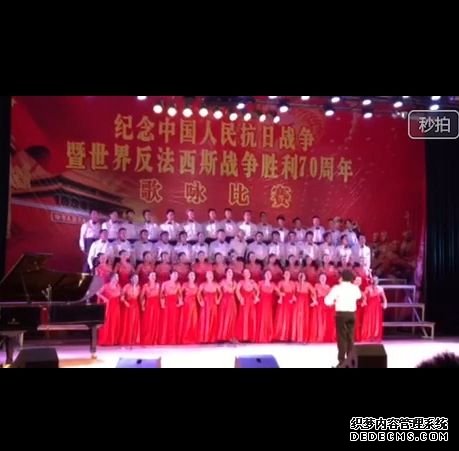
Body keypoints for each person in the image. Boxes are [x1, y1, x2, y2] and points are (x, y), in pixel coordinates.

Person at [324, 270, 363, 368]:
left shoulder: (337, 288)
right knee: (350, 337)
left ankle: (342, 361)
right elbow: (359, 296)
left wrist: (334, 302)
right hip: (351, 314)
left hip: (341, 315)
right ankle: (351, 361)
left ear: (342, 277)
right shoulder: (355, 288)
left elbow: (327, 301)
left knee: (342, 338)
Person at [97, 273, 121, 346]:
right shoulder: (106, 286)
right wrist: (104, 298)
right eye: (115, 277)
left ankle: (113, 340)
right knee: (107, 322)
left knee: (114, 322)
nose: (117, 278)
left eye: (117, 277)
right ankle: (105, 340)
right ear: (111, 278)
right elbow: (97, 293)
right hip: (108, 306)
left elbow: (120, 294)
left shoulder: (118, 286)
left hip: (116, 306)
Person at [361, 277, 388, 342]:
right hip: (370, 306)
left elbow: (384, 298)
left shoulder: (380, 288)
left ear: (378, 281)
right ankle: (369, 335)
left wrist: (385, 303)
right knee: (369, 319)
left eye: (376, 280)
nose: (374, 281)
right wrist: (364, 300)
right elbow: (363, 295)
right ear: (371, 281)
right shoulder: (368, 288)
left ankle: (376, 335)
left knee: (376, 320)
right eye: (373, 280)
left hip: (377, 306)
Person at [235, 269, 259, 342]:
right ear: (243, 274)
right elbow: (237, 291)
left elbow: (258, 290)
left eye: (248, 272)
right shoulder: (241, 282)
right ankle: (243, 337)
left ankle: (251, 337)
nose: (247, 274)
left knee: (252, 318)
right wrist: (240, 298)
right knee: (244, 318)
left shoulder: (253, 282)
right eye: (245, 272)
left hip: (251, 302)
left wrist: (256, 297)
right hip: (244, 302)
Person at [197, 270, 221, 344]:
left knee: (213, 319)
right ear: (206, 276)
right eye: (208, 274)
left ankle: (212, 339)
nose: (210, 276)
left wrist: (218, 299)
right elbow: (198, 294)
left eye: (211, 275)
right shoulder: (203, 285)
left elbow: (220, 293)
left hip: (213, 304)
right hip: (205, 304)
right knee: (205, 320)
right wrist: (200, 301)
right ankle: (204, 338)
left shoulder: (216, 284)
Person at [159, 271, 182, 345]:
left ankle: (173, 340)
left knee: (174, 321)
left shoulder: (178, 284)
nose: (175, 276)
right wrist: (162, 303)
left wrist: (180, 302)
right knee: (166, 321)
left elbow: (180, 294)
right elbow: (161, 294)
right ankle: (164, 339)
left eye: (176, 275)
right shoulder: (165, 283)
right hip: (167, 303)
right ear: (170, 275)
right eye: (174, 275)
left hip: (174, 303)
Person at [119, 274, 141, 346]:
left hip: (135, 306)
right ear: (131, 279)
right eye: (134, 278)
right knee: (128, 322)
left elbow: (139, 297)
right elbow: (121, 296)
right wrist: (125, 302)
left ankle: (133, 339)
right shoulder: (127, 286)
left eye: (137, 278)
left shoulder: (138, 287)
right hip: (128, 305)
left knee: (135, 322)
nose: (136, 280)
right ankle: (126, 339)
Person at [217, 268, 238, 342]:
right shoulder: (222, 282)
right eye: (228, 272)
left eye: (231, 272)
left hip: (232, 301)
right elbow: (217, 290)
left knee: (232, 318)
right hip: (224, 301)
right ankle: (222, 336)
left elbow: (234, 291)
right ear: (225, 273)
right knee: (223, 317)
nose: (230, 273)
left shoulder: (234, 282)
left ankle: (230, 336)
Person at [274, 270, 296, 342]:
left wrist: (293, 297)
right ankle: (280, 336)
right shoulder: (281, 282)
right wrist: (280, 294)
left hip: (290, 302)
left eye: (288, 274)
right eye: (286, 274)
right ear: (283, 275)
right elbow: (276, 291)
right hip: (283, 301)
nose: (287, 275)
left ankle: (289, 336)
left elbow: (294, 293)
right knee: (281, 318)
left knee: (289, 318)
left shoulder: (292, 283)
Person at [140, 272, 161, 345]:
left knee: (155, 322)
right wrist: (142, 305)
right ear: (148, 277)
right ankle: (147, 339)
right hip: (148, 305)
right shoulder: (145, 285)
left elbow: (160, 295)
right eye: (152, 275)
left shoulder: (158, 285)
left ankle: (154, 339)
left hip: (156, 305)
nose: (153, 277)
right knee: (148, 322)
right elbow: (141, 296)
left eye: (154, 275)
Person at [178, 271, 199, 345]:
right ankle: (184, 338)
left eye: (193, 275)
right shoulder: (185, 284)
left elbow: (198, 295)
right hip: (186, 305)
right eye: (190, 275)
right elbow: (179, 293)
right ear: (188, 276)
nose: (192, 276)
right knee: (186, 321)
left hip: (194, 305)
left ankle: (192, 338)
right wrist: (180, 300)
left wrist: (201, 301)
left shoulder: (196, 285)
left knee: (193, 321)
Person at [256, 270, 277, 343]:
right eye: (267, 274)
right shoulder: (260, 283)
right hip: (261, 303)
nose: (268, 275)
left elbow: (279, 292)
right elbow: (255, 291)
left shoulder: (273, 284)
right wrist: (256, 297)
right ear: (264, 275)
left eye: (269, 274)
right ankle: (260, 336)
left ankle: (268, 336)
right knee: (261, 318)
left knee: (268, 319)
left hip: (269, 304)